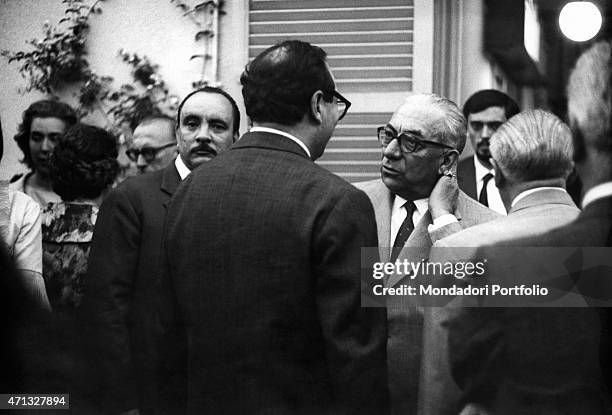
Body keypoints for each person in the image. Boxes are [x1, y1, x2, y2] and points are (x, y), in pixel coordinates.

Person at [158, 40, 388, 414]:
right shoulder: (341, 202)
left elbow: (167, 333)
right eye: (336, 105)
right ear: (317, 104)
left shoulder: (189, 189)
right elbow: (357, 352)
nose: (335, 117)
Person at [80, 86, 240, 415]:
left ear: (237, 136)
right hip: (152, 394)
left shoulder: (245, 201)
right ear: (178, 132)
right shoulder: (132, 198)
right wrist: (124, 401)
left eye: (218, 126)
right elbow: (106, 307)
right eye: (192, 124)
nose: (203, 135)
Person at [420, 109, 580, 415]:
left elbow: (442, 380)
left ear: (498, 173)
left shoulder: (458, 249)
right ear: (571, 168)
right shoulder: (601, 237)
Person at [354, 93, 499, 415]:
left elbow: (482, 323)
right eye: (389, 135)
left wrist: (443, 219)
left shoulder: (486, 227)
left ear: (447, 161)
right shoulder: (349, 202)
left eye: (411, 144)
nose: (390, 151)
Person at [458, 90, 519, 214]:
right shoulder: (452, 176)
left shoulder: (525, 177)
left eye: (495, 126)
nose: (485, 135)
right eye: (476, 126)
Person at [10, 100, 78, 207]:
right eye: (36, 138)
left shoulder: (84, 198)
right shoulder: (8, 197)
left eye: (55, 139)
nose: (44, 147)